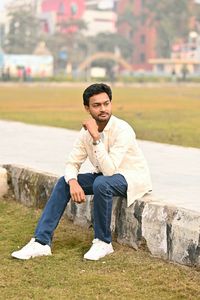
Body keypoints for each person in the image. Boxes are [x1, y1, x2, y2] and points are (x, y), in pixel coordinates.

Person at [11, 83, 152, 261]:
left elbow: (110, 171)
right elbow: (72, 163)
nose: (103, 109)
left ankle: (103, 242)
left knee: (101, 183)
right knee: (64, 181)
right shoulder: (85, 133)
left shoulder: (122, 129)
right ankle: (41, 242)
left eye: (106, 103)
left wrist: (96, 138)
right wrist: (73, 182)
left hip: (131, 178)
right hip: (106, 178)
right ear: (87, 108)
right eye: (97, 105)